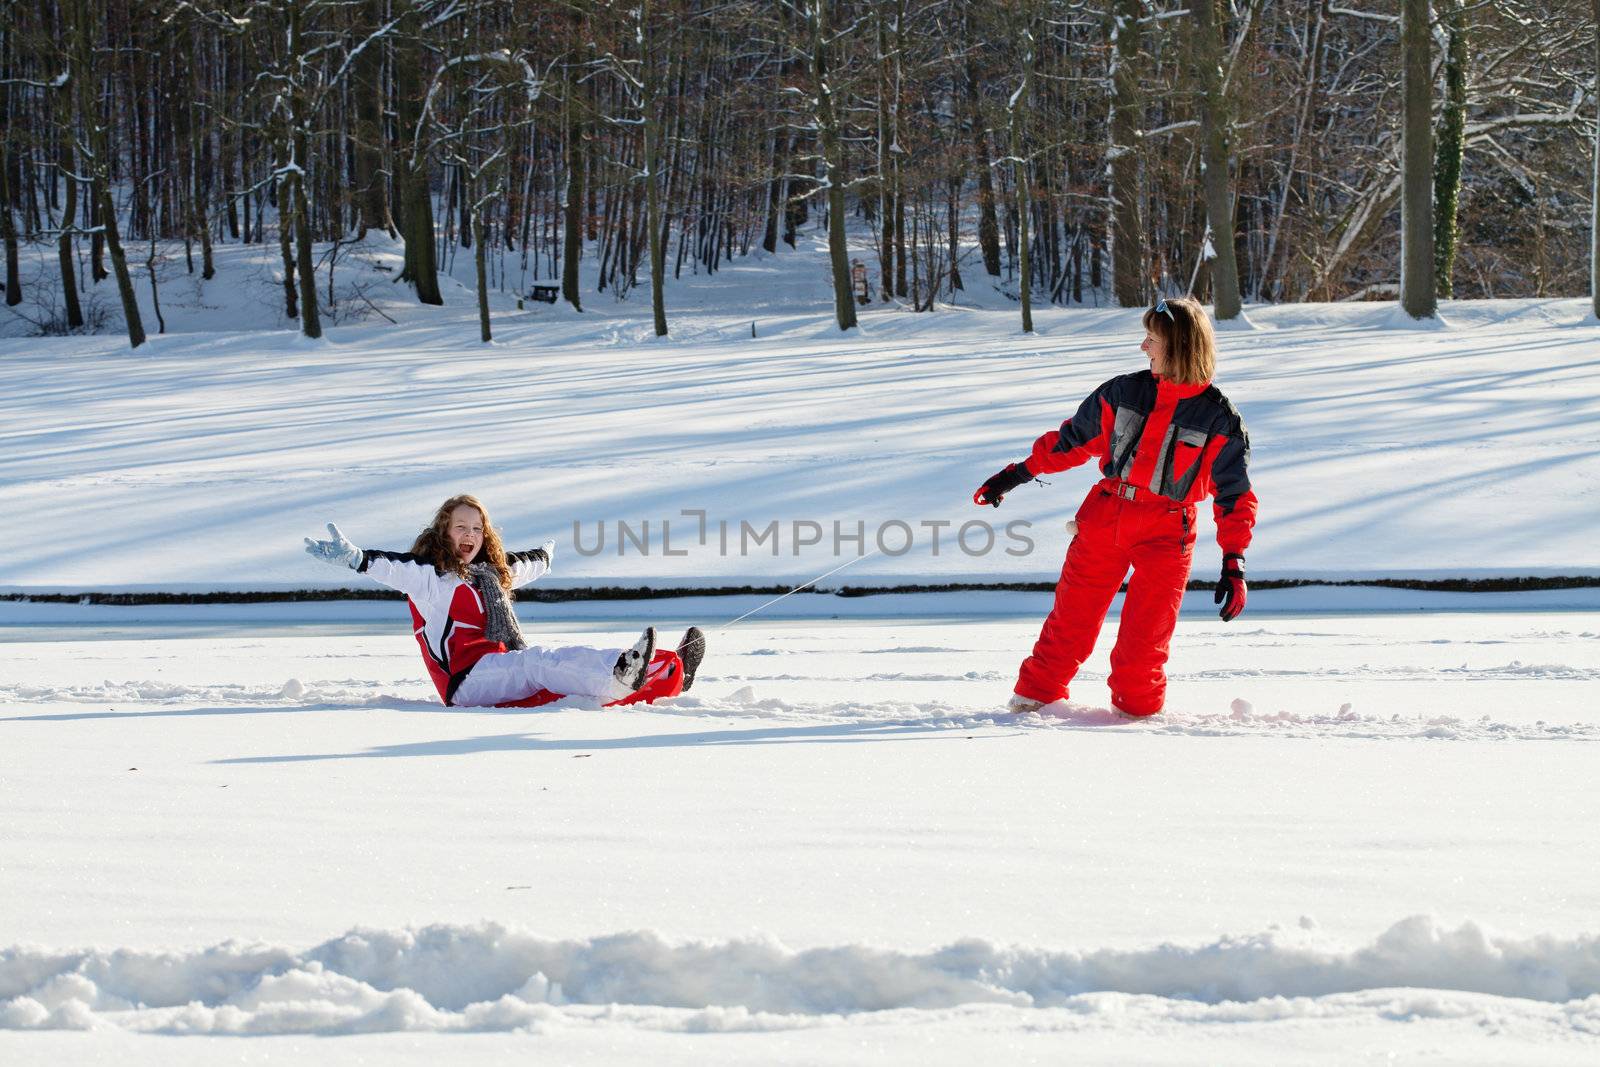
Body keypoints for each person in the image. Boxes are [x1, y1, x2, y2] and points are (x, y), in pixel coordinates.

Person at [974, 296, 1256, 717]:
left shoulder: (1219, 419)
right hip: (1105, 518)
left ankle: (1136, 721)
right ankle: (1032, 704)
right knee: (1069, 623)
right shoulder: (1123, 391)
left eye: (1151, 339)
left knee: (1145, 642)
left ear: (1178, 345)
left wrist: (1234, 561)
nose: (1144, 347)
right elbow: (1070, 442)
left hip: (1166, 532)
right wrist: (1017, 474)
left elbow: (1234, 496)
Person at [303, 494, 705, 708]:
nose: (470, 534)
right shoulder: (430, 579)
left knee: (561, 683)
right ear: (444, 532)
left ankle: (667, 669)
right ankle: (619, 674)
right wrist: (357, 559)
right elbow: (392, 568)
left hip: (496, 669)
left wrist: (545, 557)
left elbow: (524, 565)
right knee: (539, 662)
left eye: (477, 528)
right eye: (460, 526)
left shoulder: (491, 576)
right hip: (466, 683)